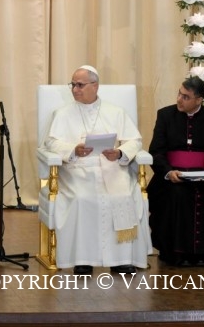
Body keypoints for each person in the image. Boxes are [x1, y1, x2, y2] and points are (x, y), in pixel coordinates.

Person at [41, 65, 150, 274]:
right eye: (73, 85)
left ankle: (122, 259)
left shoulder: (116, 112)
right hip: (77, 171)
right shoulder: (62, 114)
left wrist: (119, 153)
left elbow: (134, 140)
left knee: (123, 195)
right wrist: (73, 149)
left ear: (95, 86)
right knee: (82, 198)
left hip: (112, 168)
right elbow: (51, 142)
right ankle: (83, 259)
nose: (75, 89)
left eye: (80, 85)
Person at [147, 76, 204, 266]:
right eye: (179, 94)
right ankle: (173, 252)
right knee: (177, 192)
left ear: (199, 100)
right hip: (171, 175)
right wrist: (168, 172)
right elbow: (156, 152)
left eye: (186, 97)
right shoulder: (165, 115)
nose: (179, 99)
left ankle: (200, 252)